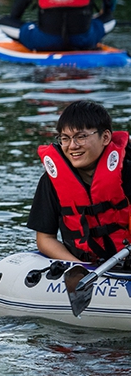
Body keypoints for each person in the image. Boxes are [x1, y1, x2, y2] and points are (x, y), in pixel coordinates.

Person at [27, 100, 131, 266]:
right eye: (65, 138)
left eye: (81, 137)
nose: (72, 146)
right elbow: (45, 239)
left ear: (105, 137)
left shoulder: (127, 170)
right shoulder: (50, 181)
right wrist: (79, 267)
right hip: (84, 264)